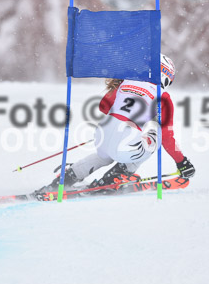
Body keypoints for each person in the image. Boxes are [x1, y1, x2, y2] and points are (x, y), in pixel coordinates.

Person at [36, 53, 195, 194]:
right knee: (157, 134)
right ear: (166, 77)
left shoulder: (126, 82)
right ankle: (117, 176)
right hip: (126, 140)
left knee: (103, 157)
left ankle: (69, 177)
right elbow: (167, 137)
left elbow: (104, 106)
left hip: (102, 134)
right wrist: (182, 162)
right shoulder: (163, 97)